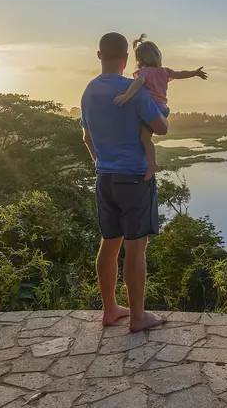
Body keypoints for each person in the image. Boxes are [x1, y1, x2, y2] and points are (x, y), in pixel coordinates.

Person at [80, 32, 169, 332]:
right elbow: (161, 127)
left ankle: (109, 310)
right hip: (134, 179)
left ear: (98, 55)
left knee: (109, 244)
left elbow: (87, 137)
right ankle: (138, 316)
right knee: (136, 248)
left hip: (105, 179)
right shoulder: (135, 89)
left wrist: (100, 162)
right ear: (126, 59)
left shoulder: (88, 92)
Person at [114, 34, 208, 178]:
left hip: (153, 109)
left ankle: (152, 164)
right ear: (158, 56)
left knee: (144, 139)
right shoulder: (164, 72)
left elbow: (137, 83)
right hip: (163, 109)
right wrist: (195, 73)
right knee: (144, 137)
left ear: (139, 59)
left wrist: (126, 96)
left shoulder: (144, 73)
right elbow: (180, 74)